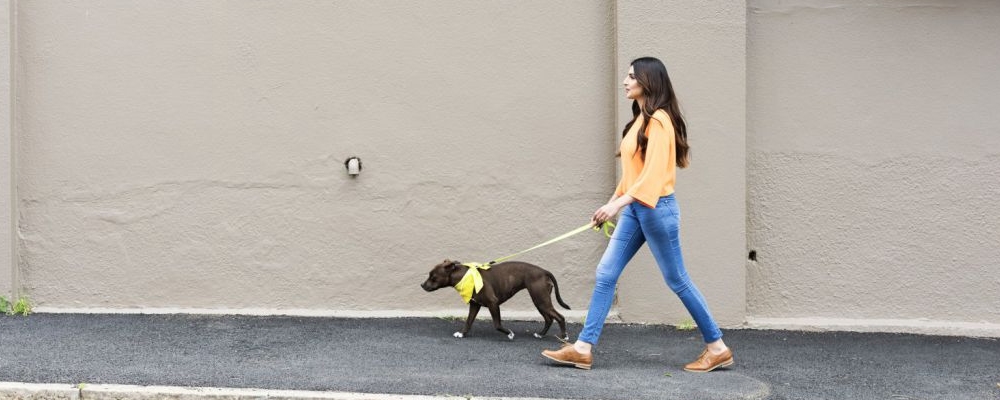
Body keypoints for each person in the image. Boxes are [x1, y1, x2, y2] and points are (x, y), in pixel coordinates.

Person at [541, 57, 732, 372]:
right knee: (606, 273)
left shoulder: (660, 121)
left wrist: (617, 205)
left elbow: (653, 177)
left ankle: (717, 348)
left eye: (632, 76)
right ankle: (583, 348)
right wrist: (611, 203)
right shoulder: (640, 120)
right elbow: (633, 174)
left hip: (657, 210)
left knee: (677, 279)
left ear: (648, 81)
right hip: (635, 208)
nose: (625, 81)